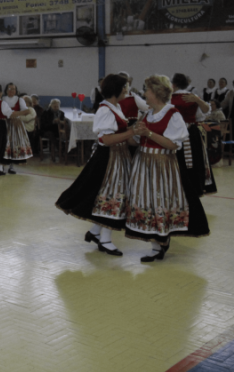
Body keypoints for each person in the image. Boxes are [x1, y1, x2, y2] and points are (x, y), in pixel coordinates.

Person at [125, 75, 210, 262]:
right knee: (147, 201)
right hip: (143, 163)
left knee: (160, 200)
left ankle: (163, 240)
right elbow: (135, 141)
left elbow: (172, 144)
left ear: (156, 93)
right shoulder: (147, 114)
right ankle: (155, 245)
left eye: (147, 90)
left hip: (162, 164)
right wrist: (132, 133)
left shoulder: (173, 114)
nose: (145, 93)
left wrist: (148, 132)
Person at [56, 74, 137, 256]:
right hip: (109, 158)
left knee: (110, 196)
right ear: (117, 89)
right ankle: (105, 240)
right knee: (112, 196)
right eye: (125, 87)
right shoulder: (105, 110)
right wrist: (131, 131)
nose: (127, 90)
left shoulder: (115, 107)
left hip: (118, 157)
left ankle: (95, 232)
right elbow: (106, 139)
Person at [171, 73, 215, 197]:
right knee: (195, 159)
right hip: (191, 132)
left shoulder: (169, 98)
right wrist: (198, 100)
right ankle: (196, 186)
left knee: (176, 160)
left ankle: (177, 187)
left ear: (173, 84)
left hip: (174, 133)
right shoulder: (193, 96)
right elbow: (205, 112)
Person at [2, 83, 33, 172]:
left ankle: (11, 166)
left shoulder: (20, 100)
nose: (11, 91)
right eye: (9, 89)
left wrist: (16, 114)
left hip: (15, 125)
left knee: (13, 145)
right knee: (5, 145)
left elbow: (26, 111)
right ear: (6, 90)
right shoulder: (3, 99)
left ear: (16, 91)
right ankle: (2, 165)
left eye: (13, 89)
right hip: (5, 124)